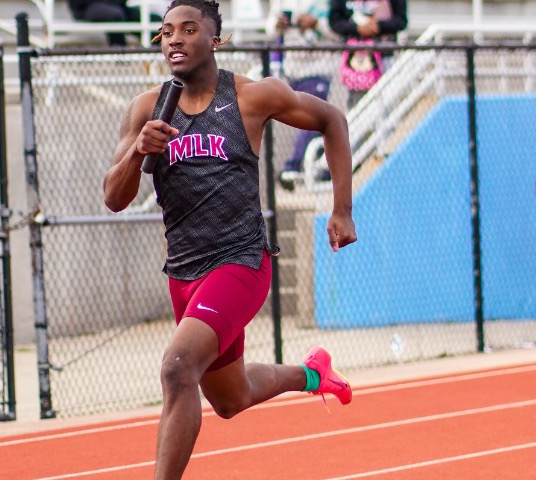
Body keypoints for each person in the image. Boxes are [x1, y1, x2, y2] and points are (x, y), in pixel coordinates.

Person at [103, 1, 357, 478]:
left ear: (216, 39)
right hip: (184, 273)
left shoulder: (252, 97)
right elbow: (114, 198)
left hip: (241, 262)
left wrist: (341, 208)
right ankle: (312, 374)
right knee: (230, 398)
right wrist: (138, 151)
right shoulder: (145, 109)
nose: (175, 39)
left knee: (178, 367)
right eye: (166, 32)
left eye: (188, 29)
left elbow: (332, 120)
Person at [265, 1, 339, 191]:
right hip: (293, 69)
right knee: (313, 122)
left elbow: (339, 32)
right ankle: (320, 169)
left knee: (312, 116)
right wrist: (277, 25)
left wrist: (317, 24)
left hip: (321, 68)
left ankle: (294, 166)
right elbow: (269, 30)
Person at [329, 0, 408, 109]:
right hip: (351, 59)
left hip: (384, 56)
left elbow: (401, 21)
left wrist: (378, 26)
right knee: (353, 103)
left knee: (384, 101)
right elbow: (335, 21)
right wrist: (357, 28)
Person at [67, 0, 165, 46]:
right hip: (87, 6)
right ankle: (119, 55)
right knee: (115, 15)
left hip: (118, 6)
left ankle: (158, 55)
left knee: (154, 20)